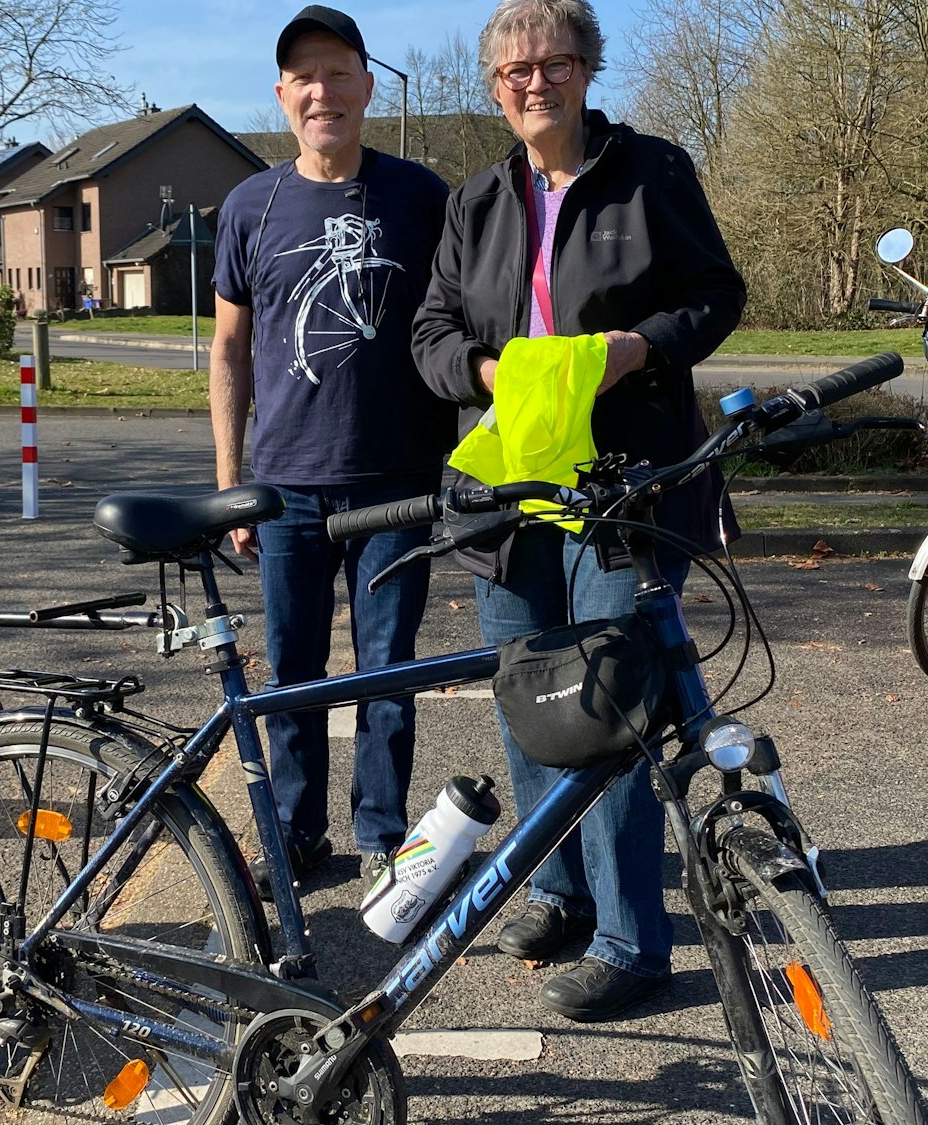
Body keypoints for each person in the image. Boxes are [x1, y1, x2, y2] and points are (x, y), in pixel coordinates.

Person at [411, 0, 747, 1021]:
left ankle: (632, 945)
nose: (533, 82)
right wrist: (483, 370)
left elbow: (714, 295)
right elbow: (428, 330)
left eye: (553, 62)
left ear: (586, 70)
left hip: (624, 484)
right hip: (506, 490)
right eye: (512, 70)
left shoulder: (653, 173)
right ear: (493, 87)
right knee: (526, 693)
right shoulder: (474, 200)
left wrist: (635, 350)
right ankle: (553, 892)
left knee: (607, 716)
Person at [211, 5, 454, 895]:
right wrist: (232, 484)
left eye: (339, 72)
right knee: (294, 670)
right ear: (284, 97)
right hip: (286, 490)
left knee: (390, 670)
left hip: (398, 482)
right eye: (304, 77)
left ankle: (384, 836)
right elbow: (229, 352)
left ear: (366, 86)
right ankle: (297, 831)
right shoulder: (250, 205)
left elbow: (458, 319)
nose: (323, 91)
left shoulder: (422, 196)